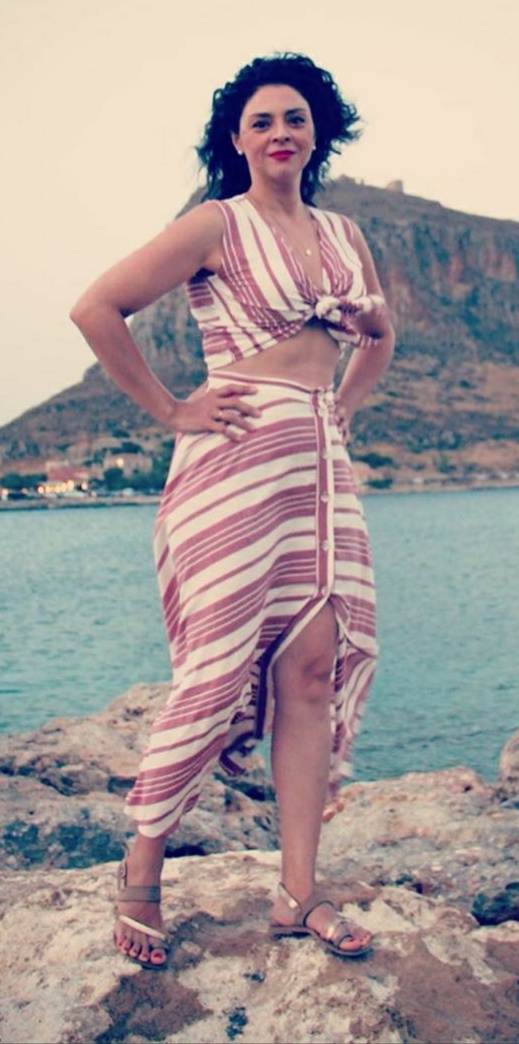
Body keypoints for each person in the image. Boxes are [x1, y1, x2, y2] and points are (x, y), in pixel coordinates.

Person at [71, 51, 395, 969]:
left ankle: (298, 894)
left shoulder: (344, 236)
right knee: (214, 669)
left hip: (318, 468)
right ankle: (141, 866)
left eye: (294, 118)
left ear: (317, 132)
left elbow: (377, 335)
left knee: (310, 674)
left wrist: (341, 407)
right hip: (233, 459)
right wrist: (173, 409)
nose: (279, 133)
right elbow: (97, 308)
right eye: (260, 122)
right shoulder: (214, 223)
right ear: (237, 140)